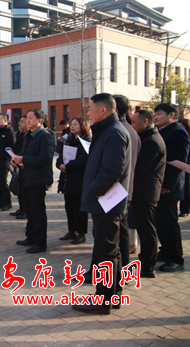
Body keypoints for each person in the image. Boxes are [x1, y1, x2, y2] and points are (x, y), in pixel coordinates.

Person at [74, 93, 131, 315]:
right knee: (110, 251)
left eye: (90, 108)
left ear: (103, 110)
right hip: (105, 202)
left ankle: (103, 300)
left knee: (106, 252)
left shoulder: (114, 133)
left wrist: (92, 191)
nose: (88, 113)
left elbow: (112, 171)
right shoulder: (108, 131)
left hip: (107, 202)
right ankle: (112, 295)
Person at [11, 110, 55, 254]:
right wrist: (17, 159)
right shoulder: (28, 135)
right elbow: (25, 154)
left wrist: (24, 159)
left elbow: (45, 158)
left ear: (40, 120)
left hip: (38, 179)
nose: (27, 121)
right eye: (27, 118)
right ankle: (30, 237)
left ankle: (40, 243)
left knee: (37, 212)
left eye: (31, 118)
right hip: (26, 177)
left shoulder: (45, 136)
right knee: (29, 210)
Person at [154, 103, 189, 273]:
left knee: (169, 222)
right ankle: (166, 250)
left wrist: (167, 185)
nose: (155, 117)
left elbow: (178, 162)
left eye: (159, 114)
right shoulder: (161, 131)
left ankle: (176, 258)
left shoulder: (178, 132)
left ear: (172, 115)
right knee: (160, 221)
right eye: (155, 114)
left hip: (169, 186)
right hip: (159, 184)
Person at [131, 109, 166, 278]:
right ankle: (145, 261)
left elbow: (140, 169)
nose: (132, 125)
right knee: (144, 228)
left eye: (134, 122)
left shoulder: (151, 141)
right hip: (143, 191)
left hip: (146, 192)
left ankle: (148, 265)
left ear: (145, 122)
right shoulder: (147, 138)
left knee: (147, 229)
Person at [114, 95, 141, 264]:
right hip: (125, 186)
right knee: (122, 228)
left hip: (118, 189)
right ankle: (123, 262)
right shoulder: (129, 129)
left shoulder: (118, 130)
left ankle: (121, 264)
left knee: (118, 230)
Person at [56, 117, 91, 244]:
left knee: (79, 208)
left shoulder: (86, 141)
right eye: (71, 124)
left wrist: (68, 166)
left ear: (83, 125)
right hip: (67, 179)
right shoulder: (69, 140)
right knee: (69, 206)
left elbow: (82, 160)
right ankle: (72, 230)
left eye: (75, 124)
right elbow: (60, 156)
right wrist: (60, 165)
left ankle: (81, 233)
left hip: (79, 179)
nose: (72, 126)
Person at [0, 113, 15, 212]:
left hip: (4, 162)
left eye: (0, 120)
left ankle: (7, 202)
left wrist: (8, 159)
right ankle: (1, 201)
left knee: (3, 182)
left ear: (6, 121)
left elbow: (11, 147)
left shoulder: (9, 132)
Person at [12, 117, 28, 219]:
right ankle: (22, 208)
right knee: (20, 189)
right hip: (18, 163)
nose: (20, 124)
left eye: (22, 122)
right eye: (20, 121)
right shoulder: (20, 134)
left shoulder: (30, 136)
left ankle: (25, 210)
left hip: (25, 166)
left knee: (25, 191)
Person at [179, 118, 190, 217]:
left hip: (187, 166)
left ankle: (185, 209)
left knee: (187, 187)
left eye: (181, 125)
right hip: (184, 165)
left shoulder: (185, 136)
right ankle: (184, 209)